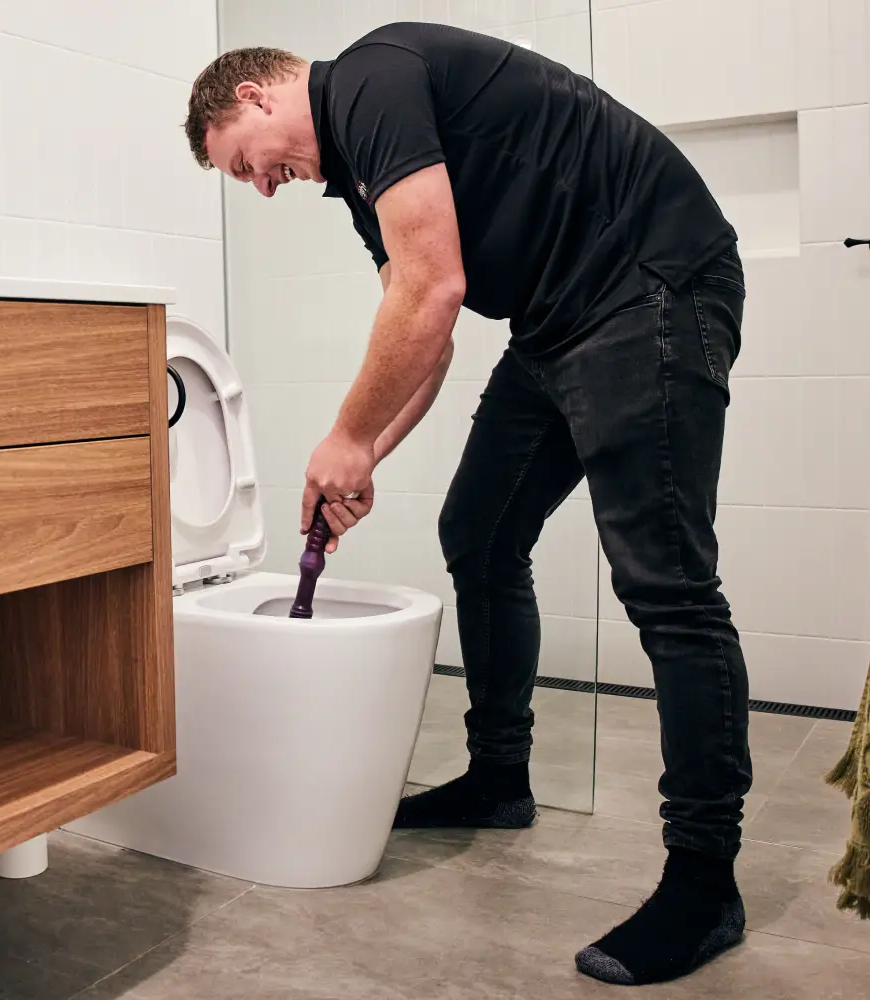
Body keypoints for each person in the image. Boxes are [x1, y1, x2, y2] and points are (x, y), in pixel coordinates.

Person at [184, 22, 752, 987]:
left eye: (245, 166)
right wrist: (359, 459)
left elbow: (435, 288)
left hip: (652, 284)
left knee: (667, 587)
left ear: (254, 100)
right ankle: (500, 777)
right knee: (477, 533)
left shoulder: (368, 77)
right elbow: (427, 342)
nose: (260, 186)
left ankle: (704, 882)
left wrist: (347, 438)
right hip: (562, 319)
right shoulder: (363, 185)